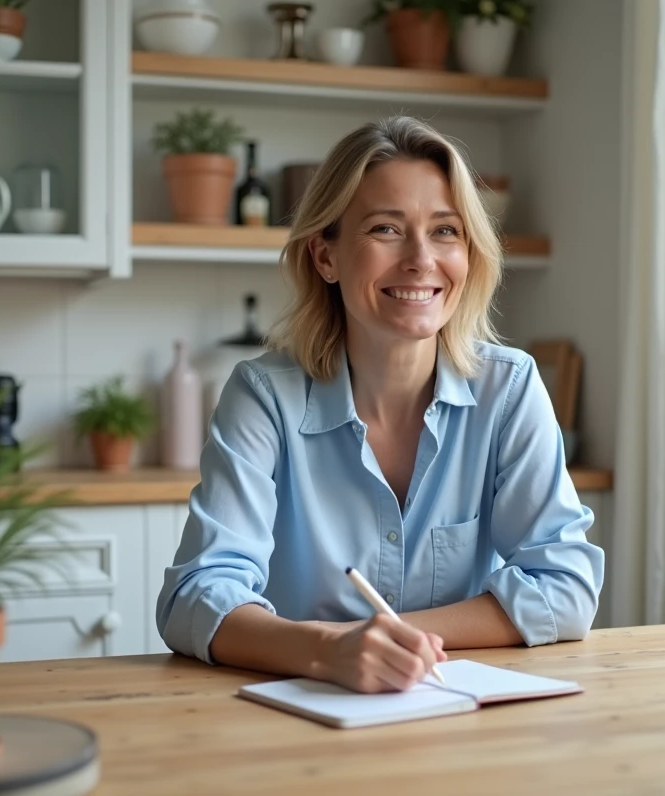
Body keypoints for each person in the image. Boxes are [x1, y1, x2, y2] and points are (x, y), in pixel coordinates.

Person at [156, 115, 604, 694]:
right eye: (386, 230)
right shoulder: (263, 397)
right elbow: (196, 596)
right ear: (325, 257)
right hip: (302, 729)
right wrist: (325, 652)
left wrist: (380, 640)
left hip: (460, 721)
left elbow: (566, 586)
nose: (421, 259)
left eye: (445, 231)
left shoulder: (510, 389)